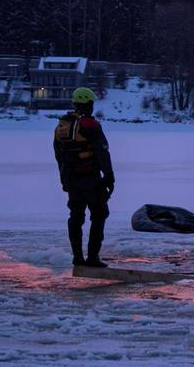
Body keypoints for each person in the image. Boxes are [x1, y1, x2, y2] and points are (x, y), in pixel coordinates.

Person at [53, 87, 115, 267]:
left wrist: (64, 180)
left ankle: (78, 257)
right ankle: (93, 257)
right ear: (89, 104)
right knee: (99, 214)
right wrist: (109, 176)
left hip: (71, 179)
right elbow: (103, 152)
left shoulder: (62, 126)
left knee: (76, 216)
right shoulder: (90, 124)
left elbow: (59, 156)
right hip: (90, 178)